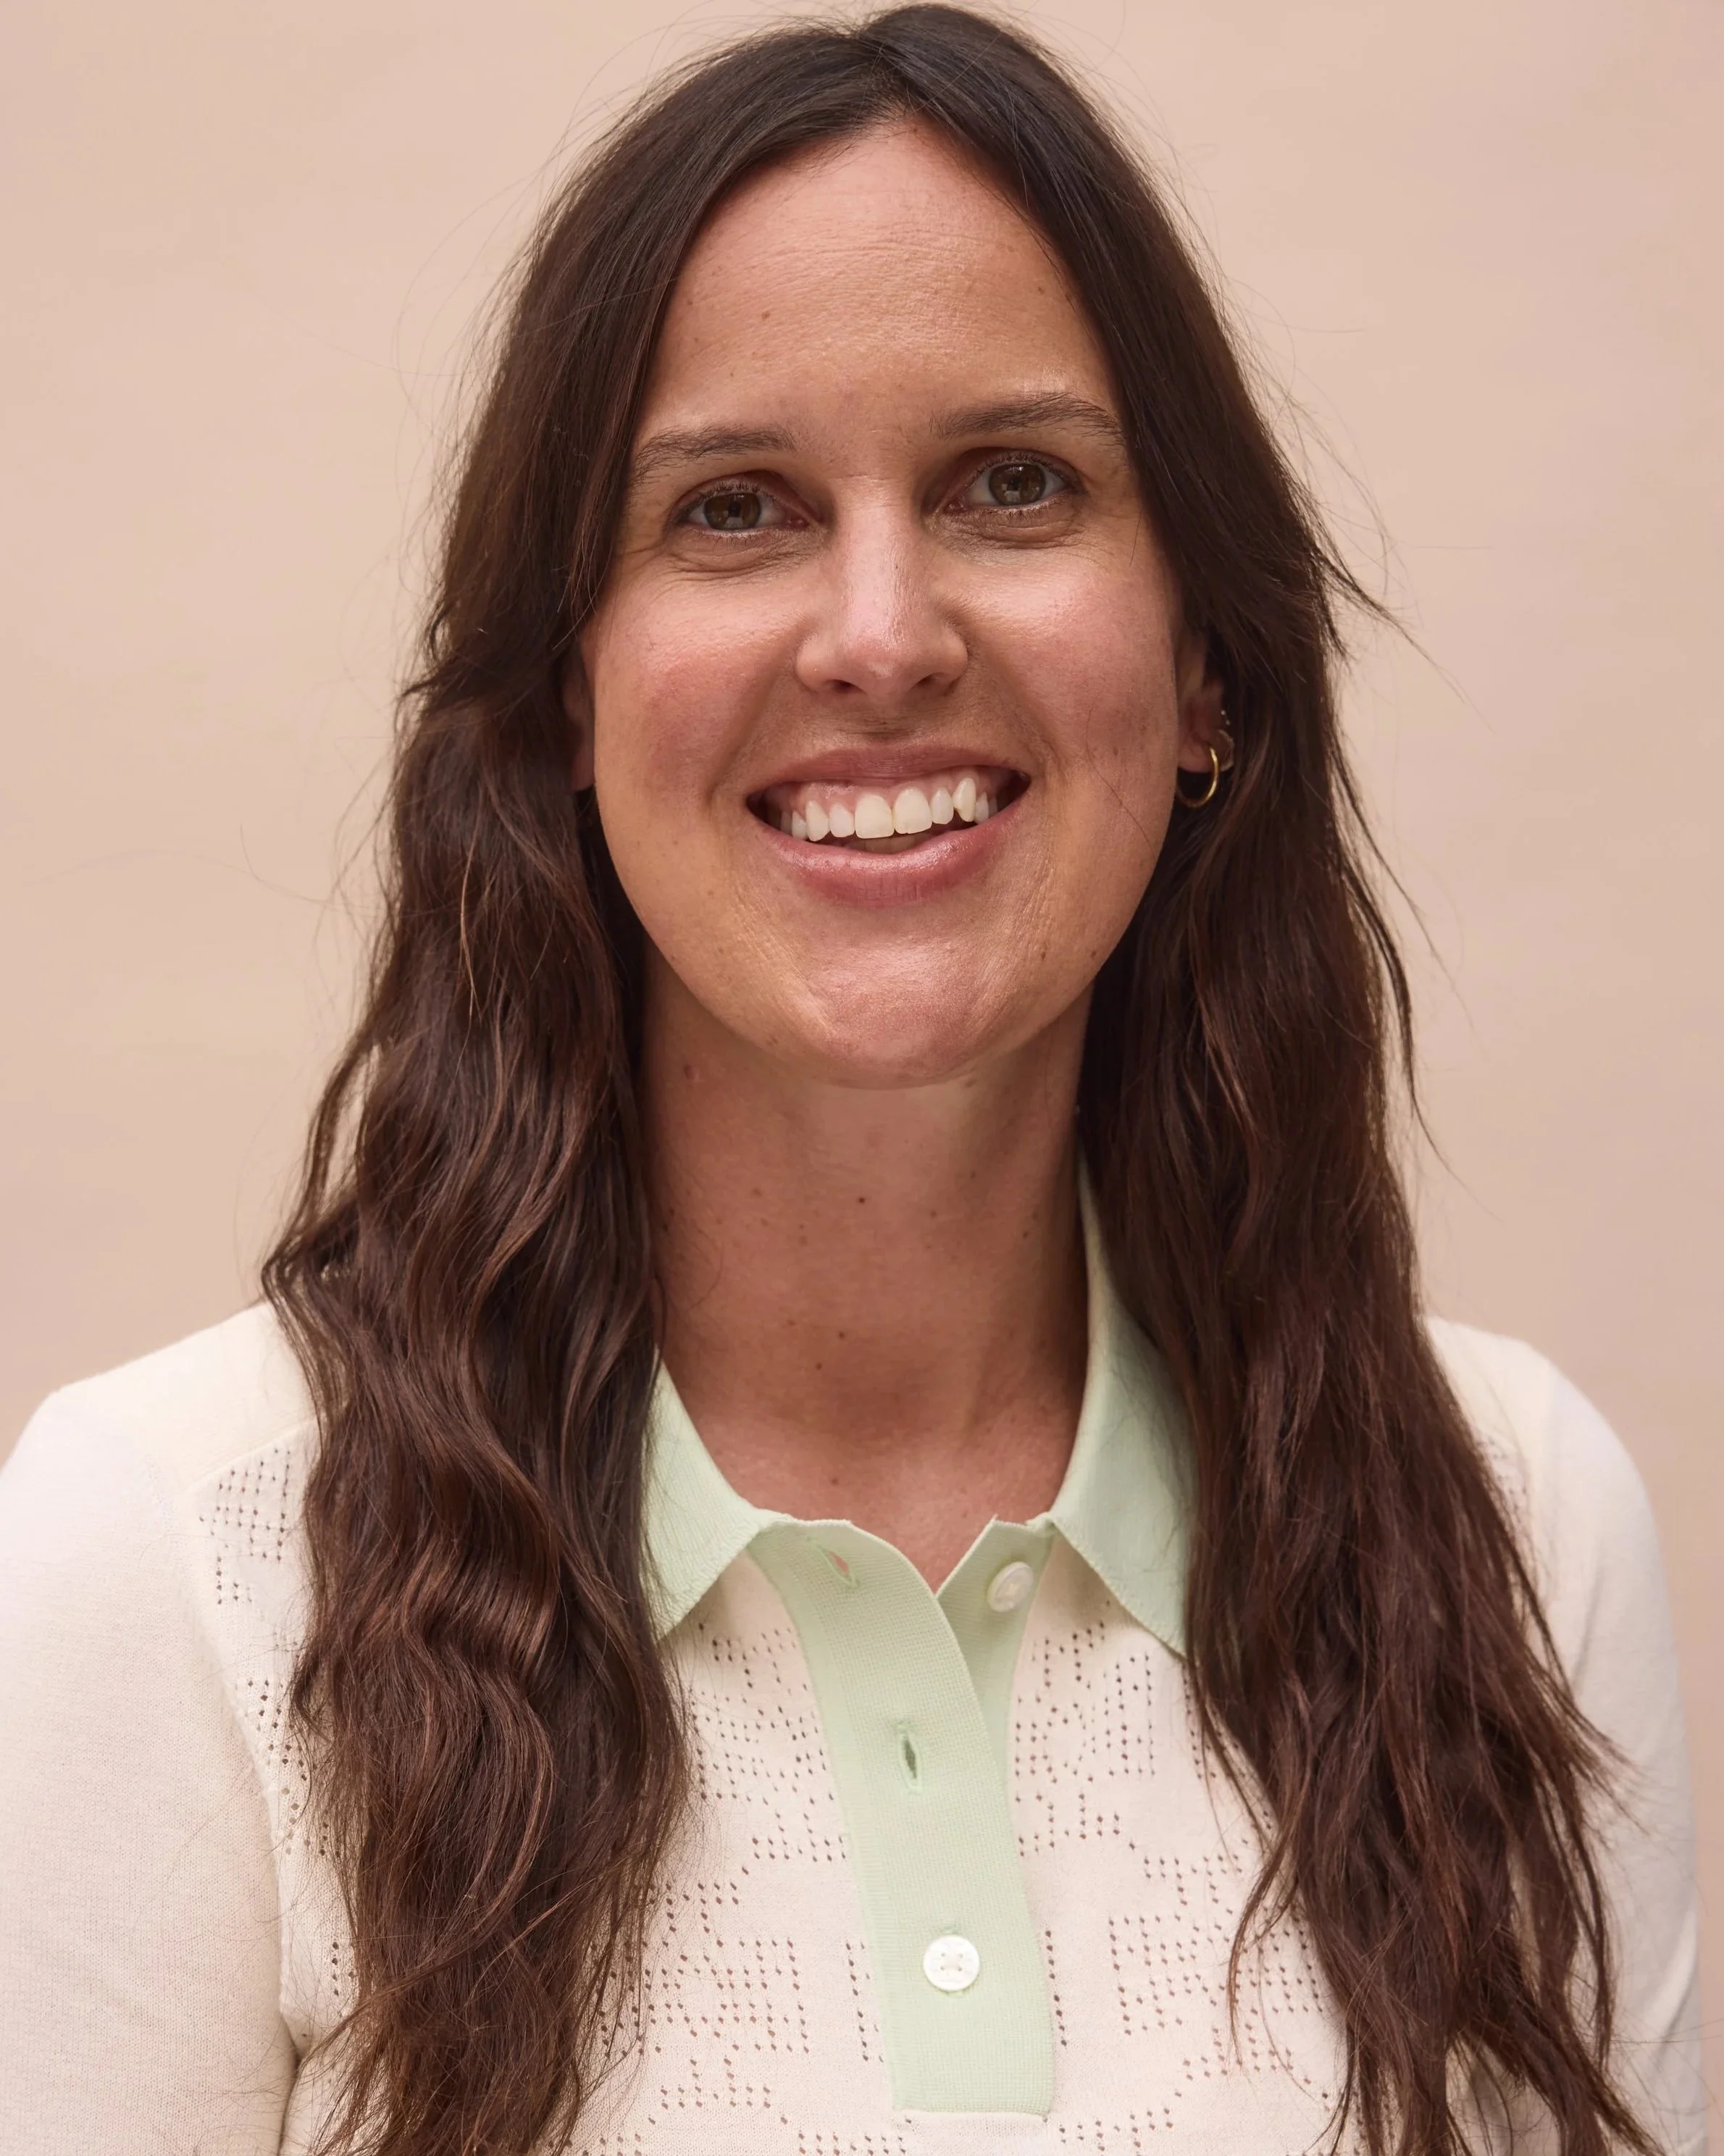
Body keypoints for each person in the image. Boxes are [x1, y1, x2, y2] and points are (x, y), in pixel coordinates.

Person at [0, 8, 1702, 2153]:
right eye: (734, 509)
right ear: (561, 705)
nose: (880, 633)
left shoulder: (1518, 1513)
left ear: (1199, 667)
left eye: (1015, 483)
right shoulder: (165, 1555)